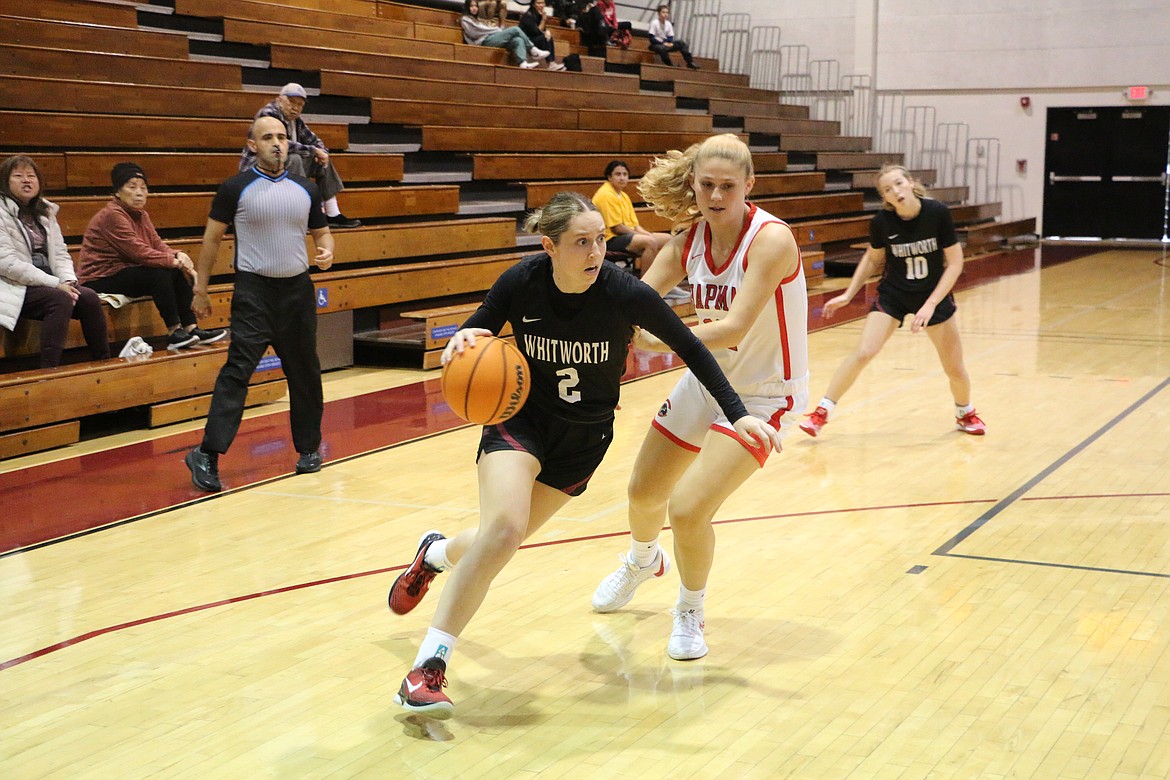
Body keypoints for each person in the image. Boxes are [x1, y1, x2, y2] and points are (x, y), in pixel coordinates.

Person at [385, 190, 781, 718]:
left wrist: (738, 415)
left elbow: (692, 347)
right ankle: (427, 667)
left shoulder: (624, 294)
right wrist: (462, 340)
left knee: (497, 540)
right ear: (549, 246)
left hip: (584, 440)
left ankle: (434, 554)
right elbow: (478, 327)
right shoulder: (522, 280)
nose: (596, 252)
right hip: (520, 421)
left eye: (599, 240)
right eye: (581, 243)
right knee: (503, 530)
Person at [590, 133, 809, 661]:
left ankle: (690, 609)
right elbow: (639, 299)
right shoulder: (688, 240)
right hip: (707, 377)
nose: (715, 197)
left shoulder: (770, 241)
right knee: (644, 492)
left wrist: (657, 336)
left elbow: (733, 327)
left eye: (727, 187)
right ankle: (643, 560)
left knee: (688, 510)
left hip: (763, 394)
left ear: (749, 186)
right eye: (706, 185)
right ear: (693, 183)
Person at [185, 116, 335, 493]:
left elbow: (324, 234)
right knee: (238, 371)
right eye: (267, 137)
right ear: (251, 145)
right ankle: (207, 452)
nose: (277, 143)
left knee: (305, 373)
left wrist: (327, 252)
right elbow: (211, 242)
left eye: (282, 137)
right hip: (254, 293)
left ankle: (308, 448)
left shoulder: (306, 189)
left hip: (297, 292)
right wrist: (200, 290)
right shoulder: (235, 188)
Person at [799, 164, 986, 437]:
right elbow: (873, 258)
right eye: (887, 189)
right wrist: (848, 293)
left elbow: (955, 264)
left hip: (932, 295)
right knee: (863, 351)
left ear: (911, 183)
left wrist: (930, 305)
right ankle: (822, 412)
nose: (895, 191)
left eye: (898, 183)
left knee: (954, 366)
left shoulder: (937, 213)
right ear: (884, 197)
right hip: (894, 294)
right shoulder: (882, 222)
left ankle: (965, 413)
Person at [78, 163, 226, 351]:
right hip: (99, 277)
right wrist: (175, 262)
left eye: (143, 187)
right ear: (117, 192)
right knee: (160, 273)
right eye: (132, 187)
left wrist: (177, 254)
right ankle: (174, 331)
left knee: (172, 271)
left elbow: (157, 244)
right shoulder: (112, 215)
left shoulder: (141, 215)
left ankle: (191, 328)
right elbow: (138, 252)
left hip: (124, 271)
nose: (139, 192)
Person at [0, 155, 110, 368]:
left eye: (31, 176)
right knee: (59, 299)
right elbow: (6, 263)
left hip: (47, 282)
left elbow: (60, 254)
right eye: (19, 176)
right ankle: (50, 371)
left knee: (88, 297)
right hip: (11, 285)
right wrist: (54, 284)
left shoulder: (45, 211)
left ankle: (104, 363)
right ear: (5, 181)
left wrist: (68, 281)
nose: (27, 180)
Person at [239, 84, 361, 230]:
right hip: (258, 169)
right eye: (292, 102)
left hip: (280, 167)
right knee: (296, 158)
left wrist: (321, 152)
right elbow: (278, 145)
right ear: (279, 100)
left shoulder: (296, 120)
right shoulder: (268, 115)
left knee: (321, 159)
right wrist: (313, 150)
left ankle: (332, 214)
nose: (295, 108)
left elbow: (315, 141)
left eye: (300, 105)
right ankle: (305, 214)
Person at [591, 160, 670, 273]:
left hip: (625, 235)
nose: (622, 178)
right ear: (609, 177)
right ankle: (646, 285)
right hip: (608, 238)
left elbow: (635, 225)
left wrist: (647, 234)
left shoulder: (623, 196)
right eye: (618, 174)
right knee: (649, 242)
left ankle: (665, 279)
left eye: (625, 174)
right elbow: (617, 228)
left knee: (669, 240)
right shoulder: (606, 195)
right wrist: (646, 237)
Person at [461, 0, 550, 70]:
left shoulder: (479, 19)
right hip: (483, 41)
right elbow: (477, 32)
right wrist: (496, 30)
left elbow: (485, 29)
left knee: (518, 40)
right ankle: (532, 49)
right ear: (467, 7)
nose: (474, 8)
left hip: (491, 38)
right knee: (515, 29)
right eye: (471, 6)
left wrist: (494, 30)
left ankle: (523, 63)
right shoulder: (465, 19)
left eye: (476, 6)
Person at [520, 0, 567, 71]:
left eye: (543, 3)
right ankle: (551, 63)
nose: (541, 5)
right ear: (533, 4)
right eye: (538, 3)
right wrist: (544, 20)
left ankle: (552, 63)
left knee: (548, 37)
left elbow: (542, 30)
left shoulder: (539, 14)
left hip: (535, 39)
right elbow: (537, 31)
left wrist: (546, 31)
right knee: (544, 38)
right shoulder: (528, 15)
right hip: (527, 42)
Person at [648, 4, 699, 69]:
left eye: (667, 12)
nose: (665, 14)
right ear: (658, 13)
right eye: (663, 12)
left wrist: (666, 42)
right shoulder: (654, 23)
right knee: (661, 48)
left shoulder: (668, 24)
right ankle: (669, 65)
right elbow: (651, 38)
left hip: (666, 43)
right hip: (656, 44)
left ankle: (690, 62)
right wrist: (663, 43)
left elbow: (670, 37)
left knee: (681, 43)